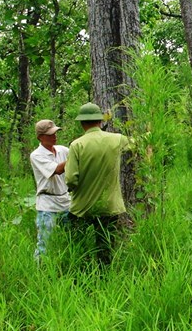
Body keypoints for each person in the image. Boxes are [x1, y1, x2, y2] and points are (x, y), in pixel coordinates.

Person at [64, 102, 131, 265]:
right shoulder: (117, 139)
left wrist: (72, 189)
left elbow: (71, 179)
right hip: (110, 206)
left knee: (78, 247)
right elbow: (137, 145)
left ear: (82, 123)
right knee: (105, 247)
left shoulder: (77, 145)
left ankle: (81, 275)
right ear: (100, 121)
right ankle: (104, 278)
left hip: (82, 207)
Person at [29, 119, 71, 260]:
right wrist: (77, 156)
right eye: (50, 134)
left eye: (55, 133)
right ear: (40, 137)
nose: (54, 136)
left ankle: (65, 264)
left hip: (65, 201)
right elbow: (57, 170)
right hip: (47, 204)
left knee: (69, 238)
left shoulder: (63, 150)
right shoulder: (36, 155)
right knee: (45, 243)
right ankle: (40, 270)